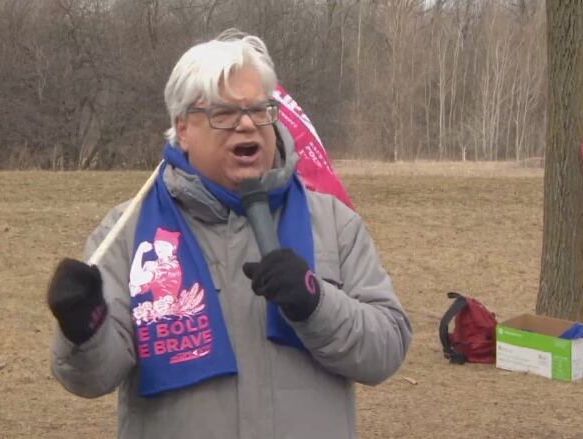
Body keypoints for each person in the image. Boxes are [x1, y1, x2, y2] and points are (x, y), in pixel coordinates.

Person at [46, 29, 413, 439]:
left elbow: (387, 348)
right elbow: (90, 378)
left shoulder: (333, 223)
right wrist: (84, 326)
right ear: (182, 128)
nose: (247, 126)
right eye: (223, 114)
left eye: (260, 110)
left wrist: (316, 301)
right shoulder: (129, 233)